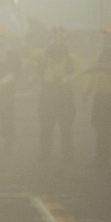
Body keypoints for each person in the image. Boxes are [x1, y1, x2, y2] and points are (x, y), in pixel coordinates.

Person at [83, 24, 111, 170]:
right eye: (106, 36)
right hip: (100, 97)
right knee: (101, 131)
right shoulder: (99, 54)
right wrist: (86, 92)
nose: (108, 39)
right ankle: (101, 161)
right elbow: (93, 76)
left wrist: (106, 69)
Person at [38, 26, 81, 164]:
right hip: (47, 95)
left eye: (59, 38)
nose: (56, 41)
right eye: (54, 37)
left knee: (66, 128)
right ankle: (45, 156)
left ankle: (68, 156)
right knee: (46, 128)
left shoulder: (72, 57)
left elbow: (79, 73)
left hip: (64, 96)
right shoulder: (43, 57)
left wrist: (67, 79)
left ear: (64, 39)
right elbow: (37, 74)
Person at [0, 26, 22, 155]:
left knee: (7, 119)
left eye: (0, 37)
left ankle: (8, 145)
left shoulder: (11, 53)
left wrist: (0, 83)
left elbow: (14, 73)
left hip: (6, 93)